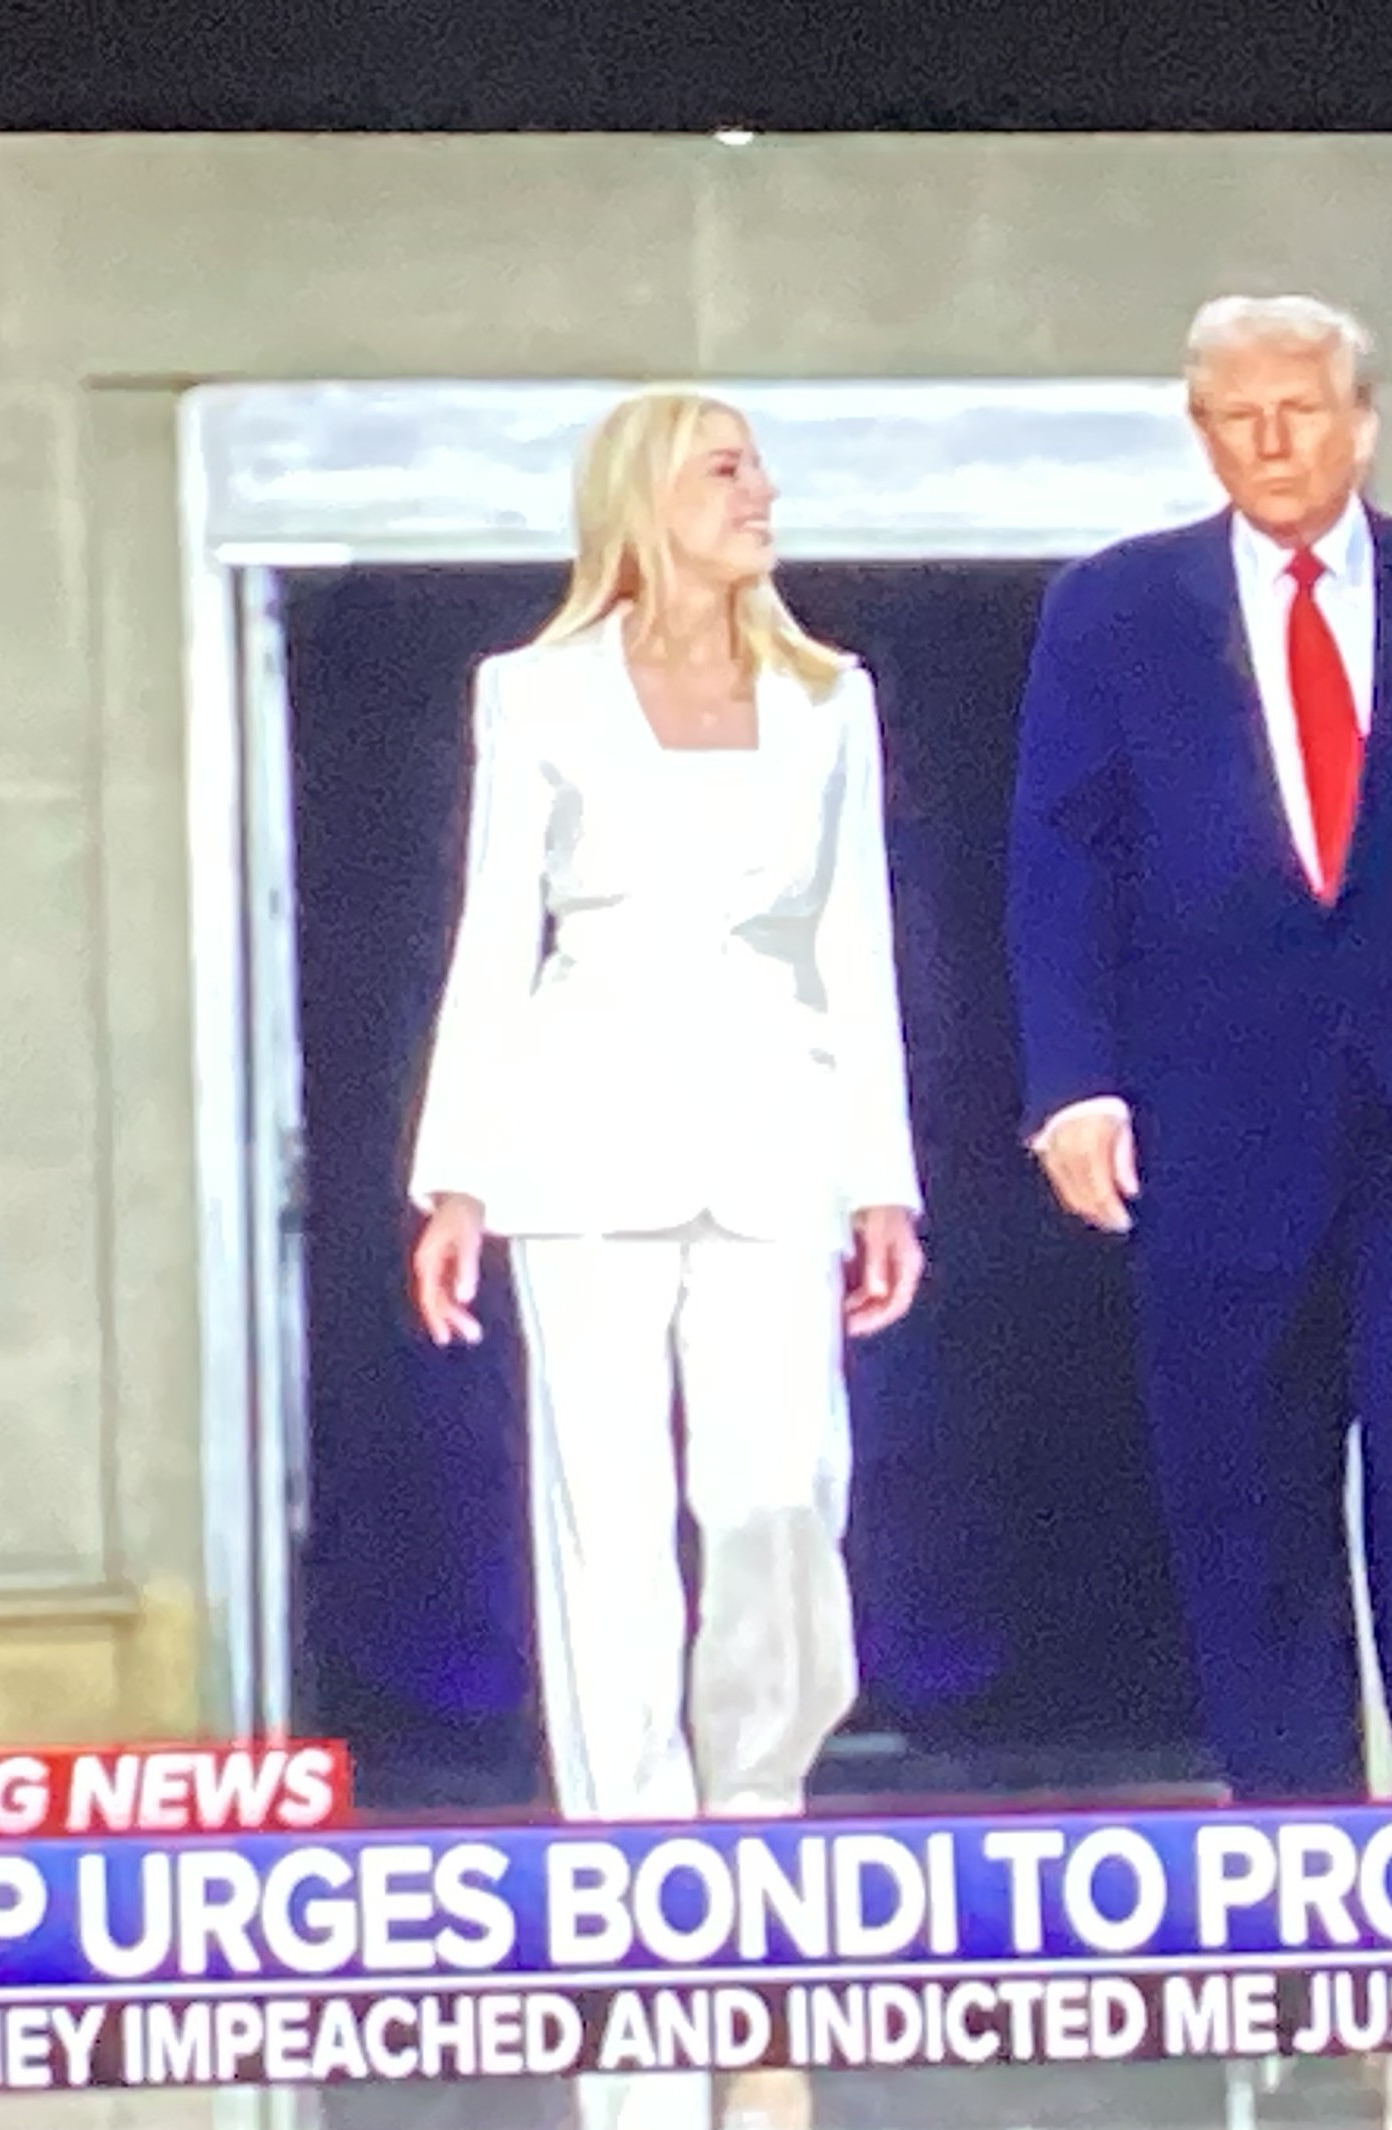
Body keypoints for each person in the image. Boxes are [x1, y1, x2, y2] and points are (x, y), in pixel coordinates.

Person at [1006, 294, 1392, 1808]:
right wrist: (1073, 1086)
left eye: (1299, 410)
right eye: (1237, 417)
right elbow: (1061, 867)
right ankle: (1298, 1841)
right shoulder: (1114, 612)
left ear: (1363, 421)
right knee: (1248, 1504)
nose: (1271, 443)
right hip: (1210, 1130)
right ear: (1201, 431)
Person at [406, 387, 926, 1831]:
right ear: (647, 499)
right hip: (581, 1137)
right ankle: (628, 1831)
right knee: (606, 1509)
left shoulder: (828, 698)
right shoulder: (537, 692)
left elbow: (856, 943)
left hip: (778, 1134)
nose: (762, 494)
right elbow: (493, 935)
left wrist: (882, 1179)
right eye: (726, 471)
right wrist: (458, 1178)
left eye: (759, 470)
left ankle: (756, 1804)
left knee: (780, 1496)